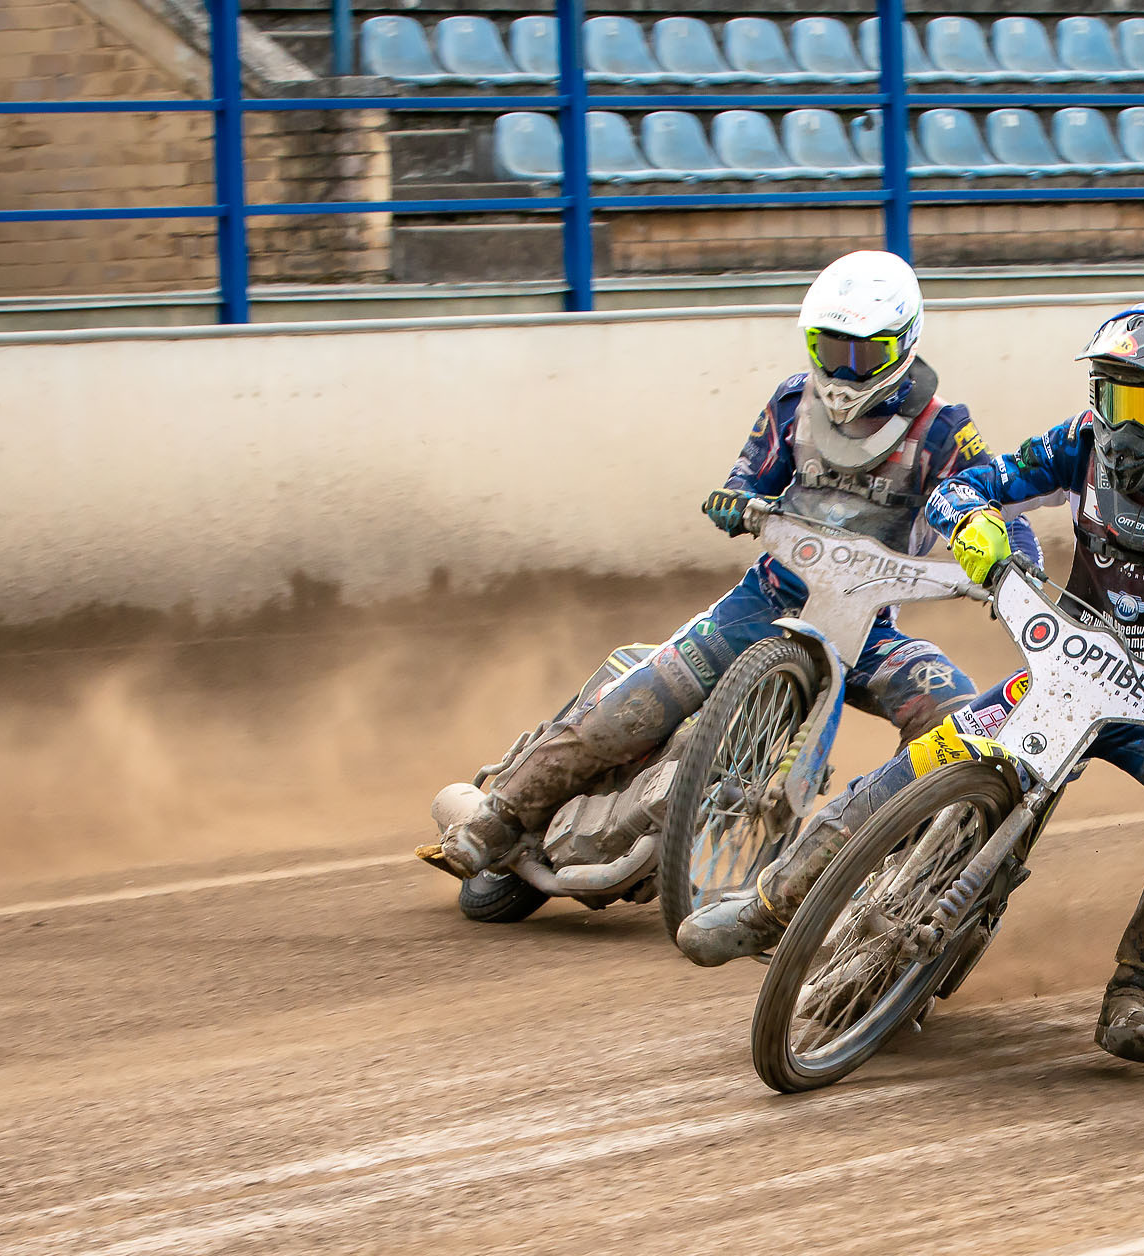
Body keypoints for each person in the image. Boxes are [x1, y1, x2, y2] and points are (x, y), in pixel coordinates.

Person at [680, 302, 1144, 1064]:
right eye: (1111, 396)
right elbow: (971, 484)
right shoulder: (1080, 443)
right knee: (925, 757)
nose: (1122, 424)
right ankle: (773, 903)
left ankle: (1141, 984)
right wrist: (971, 521)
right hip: (1066, 670)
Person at [428, 250, 1038, 886]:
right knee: (628, 708)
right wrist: (735, 498)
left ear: (904, 342)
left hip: (868, 629)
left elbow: (992, 499)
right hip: (761, 603)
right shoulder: (793, 401)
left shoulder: (944, 429)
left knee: (960, 714)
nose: (842, 369)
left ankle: (909, 870)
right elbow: (748, 474)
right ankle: (495, 820)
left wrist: (1013, 567)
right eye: (828, 348)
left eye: (861, 354)